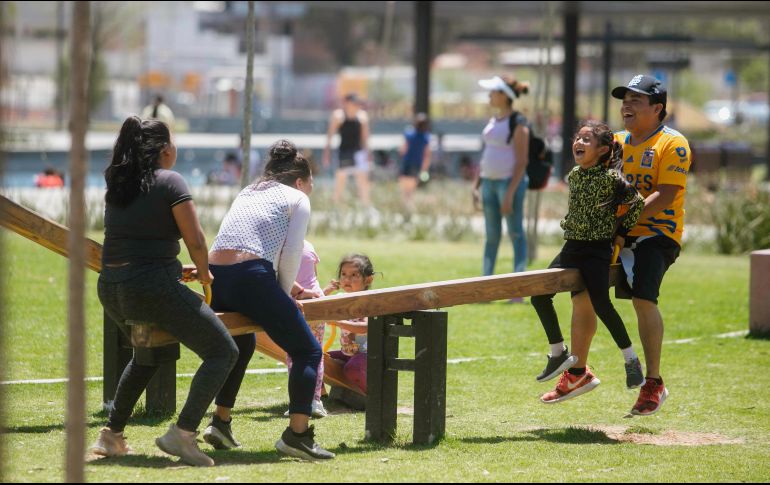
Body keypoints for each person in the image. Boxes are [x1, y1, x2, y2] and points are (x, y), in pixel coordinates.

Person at [89, 116, 239, 467]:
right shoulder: (171, 180)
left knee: (147, 353)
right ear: (164, 150)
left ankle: (111, 435)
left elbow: (137, 242)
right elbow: (197, 240)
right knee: (222, 351)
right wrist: (205, 276)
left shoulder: (119, 184)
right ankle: (183, 434)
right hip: (150, 288)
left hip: (112, 288)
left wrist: (171, 269)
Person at [201, 139, 335, 460]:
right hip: (250, 274)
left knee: (241, 345)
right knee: (307, 350)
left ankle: (220, 422)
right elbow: (290, 255)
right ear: (300, 181)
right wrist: (286, 294)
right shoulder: (297, 198)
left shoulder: (248, 191)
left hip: (216, 273)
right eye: (312, 180)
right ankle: (298, 436)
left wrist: (282, 293)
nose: (313, 186)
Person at [571, 74, 691, 416]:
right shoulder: (616, 143)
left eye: (636, 100)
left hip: (657, 234)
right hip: (615, 234)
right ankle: (577, 372)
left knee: (642, 298)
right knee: (581, 291)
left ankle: (653, 382)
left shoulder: (673, 144)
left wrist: (624, 220)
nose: (626, 105)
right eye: (624, 99)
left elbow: (667, 194)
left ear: (657, 108)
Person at [532, 120, 645, 404]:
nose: (579, 143)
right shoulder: (574, 175)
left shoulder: (611, 179)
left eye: (586, 140)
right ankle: (558, 353)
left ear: (603, 150)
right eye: (577, 138)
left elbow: (637, 203)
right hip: (572, 248)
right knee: (539, 295)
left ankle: (631, 360)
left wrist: (620, 234)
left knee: (602, 306)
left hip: (597, 251)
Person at [473, 75, 530, 291]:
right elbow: (487, 155)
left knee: (516, 234)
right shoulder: (493, 121)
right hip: (488, 182)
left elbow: (521, 161)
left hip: (509, 184)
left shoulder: (518, 123)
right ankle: (485, 287)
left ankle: (519, 288)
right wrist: (476, 185)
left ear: (504, 96)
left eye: (493, 92)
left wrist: (509, 195)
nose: (489, 95)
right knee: (491, 236)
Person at [284, 239, 328, 419]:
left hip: (294, 304)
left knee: (293, 356)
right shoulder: (308, 245)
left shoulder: (279, 247)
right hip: (316, 302)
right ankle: (315, 400)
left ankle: (298, 401)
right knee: (316, 353)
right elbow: (313, 276)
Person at [325, 254, 376, 395]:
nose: (347, 279)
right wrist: (327, 290)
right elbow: (316, 306)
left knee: (352, 369)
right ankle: (321, 396)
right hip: (347, 352)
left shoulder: (367, 301)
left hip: (367, 354)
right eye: (343, 274)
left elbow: (365, 328)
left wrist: (338, 322)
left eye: (354, 275)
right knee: (318, 360)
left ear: (368, 280)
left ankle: (375, 398)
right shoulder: (341, 299)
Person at [322, 93, 372, 207]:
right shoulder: (338, 116)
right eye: (354, 103)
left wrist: (368, 153)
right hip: (344, 152)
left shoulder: (362, 116)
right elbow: (330, 135)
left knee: (363, 181)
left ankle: (366, 206)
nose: (356, 105)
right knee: (340, 181)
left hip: (359, 152)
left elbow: (365, 137)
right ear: (347, 103)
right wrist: (327, 153)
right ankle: (336, 207)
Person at [398, 113, 432, 209]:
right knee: (411, 190)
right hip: (417, 165)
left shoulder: (409, 134)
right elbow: (427, 154)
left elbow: (403, 149)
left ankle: (407, 207)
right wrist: (425, 168)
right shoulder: (426, 137)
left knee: (405, 189)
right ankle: (409, 207)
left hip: (407, 163)